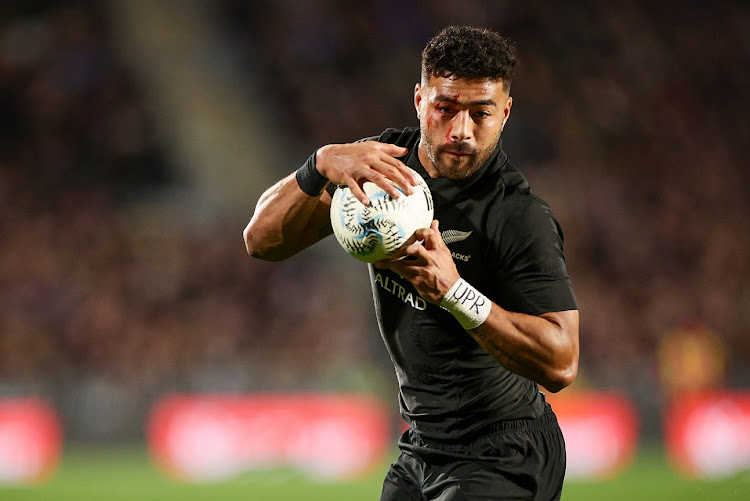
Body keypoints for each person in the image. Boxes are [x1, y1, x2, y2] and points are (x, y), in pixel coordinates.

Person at [244, 26, 579, 501]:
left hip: (504, 451)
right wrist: (318, 165)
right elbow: (260, 240)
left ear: (504, 113)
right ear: (420, 99)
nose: (461, 131)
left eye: (480, 113)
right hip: (422, 450)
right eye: (446, 109)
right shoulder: (382, 170)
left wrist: (454, 292)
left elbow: (562, 362)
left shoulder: (517, 216)